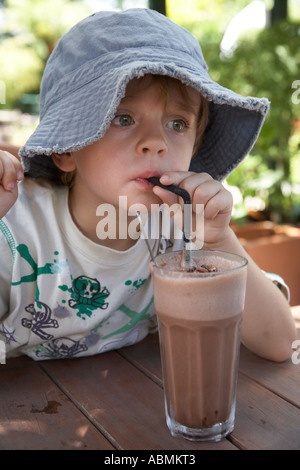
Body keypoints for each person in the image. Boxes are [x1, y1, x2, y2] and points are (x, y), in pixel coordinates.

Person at [0, 9, 296, 362]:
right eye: (123, 118)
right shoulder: (15, 229)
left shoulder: (178, 232)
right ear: (66, 147)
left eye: (177, 123)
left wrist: (217, 239)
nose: (156, 142)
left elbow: (279, 343)